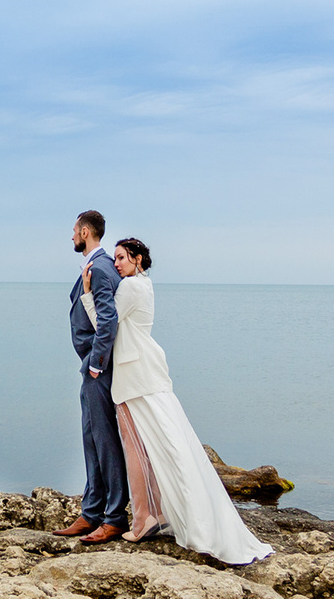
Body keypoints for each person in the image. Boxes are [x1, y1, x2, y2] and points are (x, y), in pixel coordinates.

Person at [106, 237, 274, 564]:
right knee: (165, 445)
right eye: (115, 259)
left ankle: (144, 519)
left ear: (138, 258)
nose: (117, 264)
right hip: (146, 371)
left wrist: (87, 295)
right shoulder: (145, 285)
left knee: (137, 448)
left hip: (133, 375)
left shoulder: (129, 288)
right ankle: (163, 513)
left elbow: (105, 324)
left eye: (122, 258)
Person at [53, 210, 130, 543]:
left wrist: (96, 364)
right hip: (92, 367)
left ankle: (114, 517)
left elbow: (108, 321)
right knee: (91, 439)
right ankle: (91, 512)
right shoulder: (98, 267)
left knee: (105, 440)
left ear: (86, 232)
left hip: (99, 369)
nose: (71, 236)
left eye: (74, 231)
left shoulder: (99, 268)